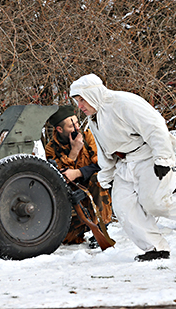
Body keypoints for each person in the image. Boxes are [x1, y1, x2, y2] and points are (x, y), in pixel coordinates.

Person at [69, 74, 176, 261]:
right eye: (77, 101)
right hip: (124, 164)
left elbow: (155, 127)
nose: (80, 106)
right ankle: (156, 248)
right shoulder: (95, 117)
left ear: (93, 93)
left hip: (148, 156)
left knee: (155, 203)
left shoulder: (124, 103)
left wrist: (162, 158)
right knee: (123, 207)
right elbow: (104, 149)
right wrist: (107, 173)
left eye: (82, 99)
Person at [45, 105, 113, 247]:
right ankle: (87, 225)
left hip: (95, 191)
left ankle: (101, 228)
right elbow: (59, 178)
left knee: (97, 178)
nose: (77, 128)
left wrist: (78, 173)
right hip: (74, 197)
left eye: (77, 123)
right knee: (67, 239)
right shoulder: (51, 148)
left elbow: (102, 165)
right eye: (71, 126)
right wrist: (74, 152)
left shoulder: (89, 137)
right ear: (59, 129)